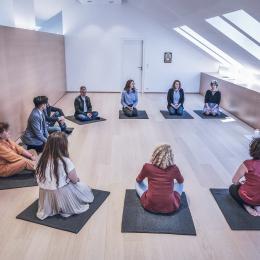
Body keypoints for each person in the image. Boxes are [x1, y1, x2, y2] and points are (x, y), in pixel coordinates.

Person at [36, 132, 94, 220]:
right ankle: (62, 205)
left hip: (44, 193)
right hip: (61, 193)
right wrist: (76, 180)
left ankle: (52, 206)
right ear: (63, 146)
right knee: (84, 188)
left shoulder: (40, 157)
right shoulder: (65, 161)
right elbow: (74, 180)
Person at [135, 144, 184, 214]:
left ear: (155, 155)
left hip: (149, 205)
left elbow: (138, 180)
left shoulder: (147, 167)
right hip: (170, 207)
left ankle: (151, 194)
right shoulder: (174, 169)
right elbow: (181, 181)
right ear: (171, 157)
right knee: (180, 184)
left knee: (137, 183)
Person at [229, 138, 260, 216]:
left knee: (232, 188)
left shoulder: (247, 164)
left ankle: (247, 206)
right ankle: (257, 206)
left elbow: (234, 181)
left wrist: (243, 184)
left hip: (248, 198)